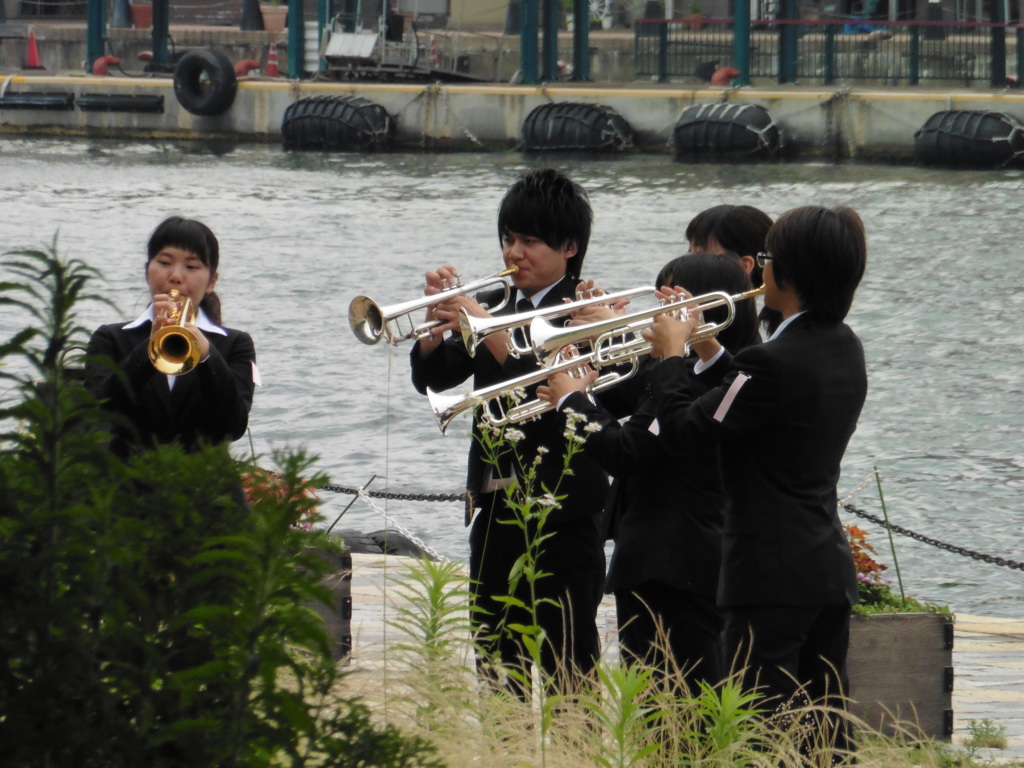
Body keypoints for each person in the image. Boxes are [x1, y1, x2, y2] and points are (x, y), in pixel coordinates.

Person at [644, 205, 868, 758]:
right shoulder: (845, 347)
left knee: (756, 732)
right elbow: (754, 405)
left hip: (769, 576)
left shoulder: (770, 362)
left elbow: (684, 431)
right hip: (824, 567)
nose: (760, 272)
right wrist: (711, 352)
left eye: (766, 261)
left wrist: (671, 357)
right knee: (825, 735)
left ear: (785, 273)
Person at [409, 168, 609, 697]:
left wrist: (483, 325)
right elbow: (433, 379)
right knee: (496, 664)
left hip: (565, 515)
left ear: (569, 247)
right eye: (508, 238)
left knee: (570, 666)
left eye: (528, 241)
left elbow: (546, 396)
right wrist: (434, 330)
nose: (513, 253)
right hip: (496, 511)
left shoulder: (589, 311)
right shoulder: (496, 303)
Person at [539, 252, 759, 693]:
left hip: (670, 567)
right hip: (673, 564)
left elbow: (626, 448)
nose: (656, 316)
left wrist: (571, 401)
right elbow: (633, 397)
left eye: (669, 305)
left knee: (674, 711)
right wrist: (604, 335)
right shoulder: (697, 376)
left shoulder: (692, 383)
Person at [86, 216, 258, 457]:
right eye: (165, 262)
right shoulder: (110, 338)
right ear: (148, 271)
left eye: (192, 266)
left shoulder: (235, 344)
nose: (176, 276)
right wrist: (148, 350)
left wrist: (207, 355)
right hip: (127, 486)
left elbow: (233, 426)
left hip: (208, 488)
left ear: (211, 282)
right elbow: (101, 411)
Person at [685, 204, 782, 335]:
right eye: (690, 253)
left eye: (700, 256)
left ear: (743, 266)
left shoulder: (747, 349)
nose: (685, 264)